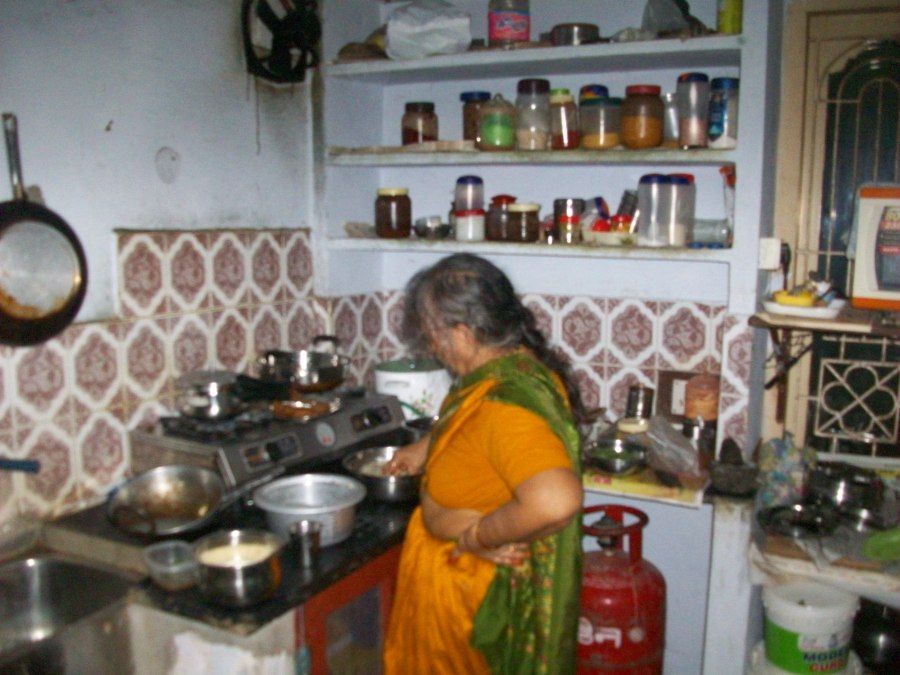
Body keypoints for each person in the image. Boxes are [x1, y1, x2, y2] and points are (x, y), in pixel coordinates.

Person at [383, 253, 584, 675]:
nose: (432, 348)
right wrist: (427, 447)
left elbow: (555, 501)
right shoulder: (516, 367)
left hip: (471, 607)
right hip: (461, 595)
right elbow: (475, 425)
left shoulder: (502, 406)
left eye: (432, 336)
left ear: (461, 333)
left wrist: (478, 537)